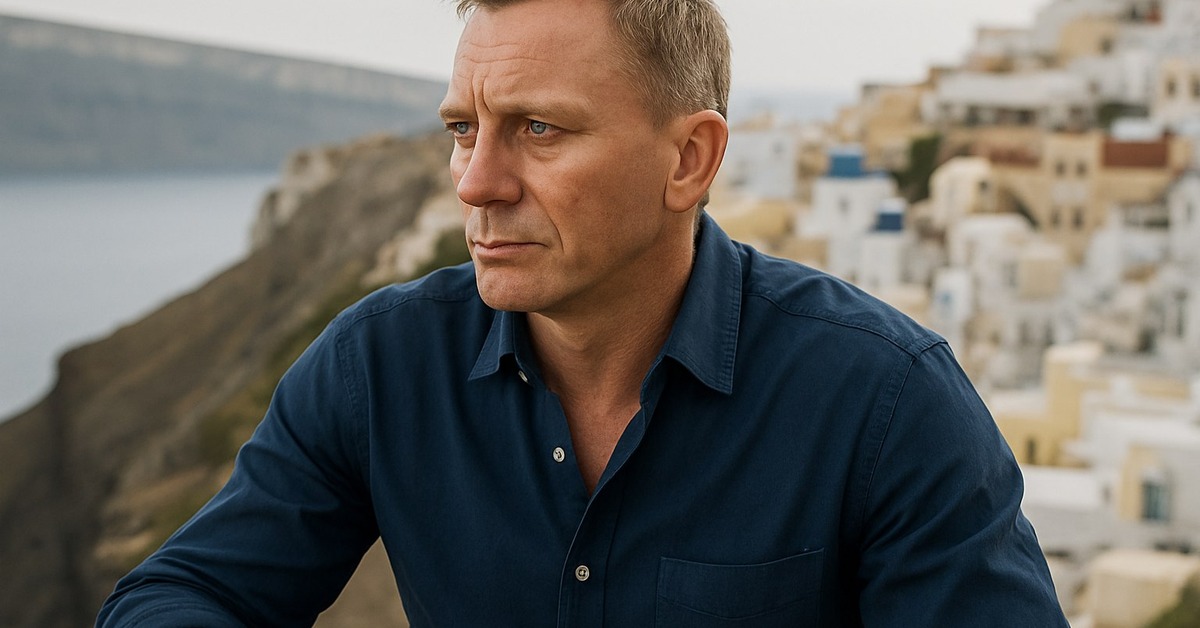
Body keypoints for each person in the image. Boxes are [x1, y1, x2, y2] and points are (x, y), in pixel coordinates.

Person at [98, 0, 1069, 625]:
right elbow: (187, 595)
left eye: (539, 129)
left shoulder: (883, 401)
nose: (476, 183)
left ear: (689, 158)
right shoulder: (380, 364)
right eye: (461, 131)